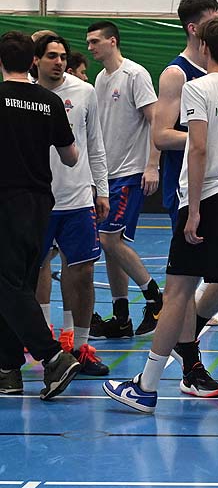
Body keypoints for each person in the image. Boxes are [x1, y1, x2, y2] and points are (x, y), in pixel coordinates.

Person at [103, 16, 218, 416]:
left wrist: (194, 210)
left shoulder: (198, 88)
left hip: (208, 197)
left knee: (177, 292)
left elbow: (196, 148)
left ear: (204, 47)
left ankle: (146, 387)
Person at [150, 0, 218, 398]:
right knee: (184, 282)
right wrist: (205, 140)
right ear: (194, 29)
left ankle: (186, 341)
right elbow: (161, 135)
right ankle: (188, 365)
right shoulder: (176, 74)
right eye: (214, 21)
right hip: (187, 191)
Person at [0, 30, 82, 399]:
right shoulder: (50, 101)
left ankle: (53, 357)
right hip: (39, 204)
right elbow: (71, 157)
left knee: (7, 285)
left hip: (5, 200)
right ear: (33, 61)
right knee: (16, 285)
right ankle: (7, 370)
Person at [33, 34, 110, 376]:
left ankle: (80, 346)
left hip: (77, 200)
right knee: (34, 270)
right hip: (36, 200)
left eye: (63, 56)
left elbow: (95, 144)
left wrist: (102, 190)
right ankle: (43, 343)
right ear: (35, 60)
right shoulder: (24, 95)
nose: (59, 62)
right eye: (51, 56)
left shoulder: (85, 92)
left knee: (83, 273)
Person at [85, 21, 164, 338]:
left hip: (130, 173)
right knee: (110, 245)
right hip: (107, 175)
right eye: (88, 42)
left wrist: (152, 165)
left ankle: (155, 297)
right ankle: (121, 317)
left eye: (95, 41)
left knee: (109, 240)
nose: (90, 47)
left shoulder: (135, 74)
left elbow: (156, 120)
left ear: (112, 41)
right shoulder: (100, 79)